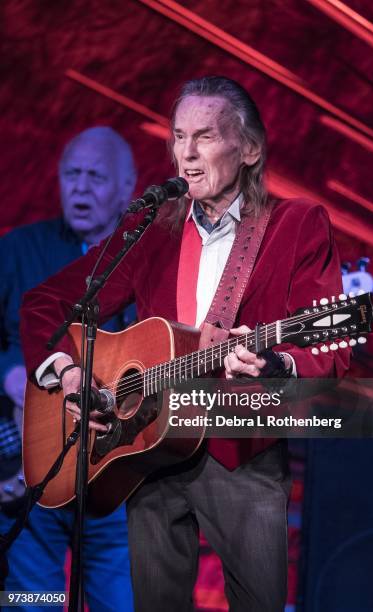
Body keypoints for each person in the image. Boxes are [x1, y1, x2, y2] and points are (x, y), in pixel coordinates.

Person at [20, 78, 349, 611]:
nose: (187, 154)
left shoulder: (296, 224)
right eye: (178, 137)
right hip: (148, 449)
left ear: (249, 149)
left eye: (205, 137)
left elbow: (327, 354)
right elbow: (46, 302)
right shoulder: (156, 229)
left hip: (240, 454)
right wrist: (67, 372)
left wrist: (275, 361)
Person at [0, 126, 137, 611]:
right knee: (29, 604)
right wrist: (9, 371)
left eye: (95, 177)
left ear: (127, 189)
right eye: (71, 174)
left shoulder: (148, 260)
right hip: (27, 475)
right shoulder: (18, 250)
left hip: (113, 480)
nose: (79, 187)